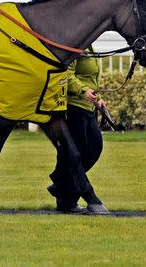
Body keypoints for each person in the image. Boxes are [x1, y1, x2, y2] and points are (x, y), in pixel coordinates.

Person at [47, 46, 109, 214]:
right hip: (75, 107)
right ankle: (68, 199)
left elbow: (91, 79)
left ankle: (60, 182)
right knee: (77, 153)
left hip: (89, 108)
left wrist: (99, 99)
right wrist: (83, 91)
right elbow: (66, 74)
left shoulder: (90, 46)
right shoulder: (76, 46)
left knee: (95, 147)